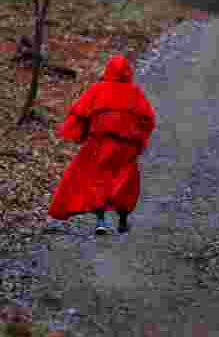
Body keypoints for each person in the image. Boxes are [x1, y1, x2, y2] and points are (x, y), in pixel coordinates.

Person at [49, 54, 156, 235]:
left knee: (99, 180)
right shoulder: (135, 93)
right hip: (127, 147)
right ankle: (122, 221)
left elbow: (80, 113)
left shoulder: (97, 90)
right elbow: (147, 120)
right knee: (125, 182)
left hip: (101, 143)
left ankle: (101, 221)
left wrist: (78, 134)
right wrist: (139, 141)